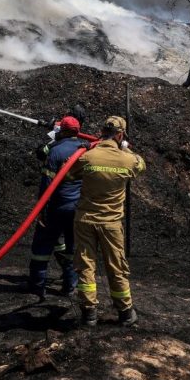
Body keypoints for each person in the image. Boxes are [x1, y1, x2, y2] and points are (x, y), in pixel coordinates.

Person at [67, 116, 145, 327]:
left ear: (102, 131)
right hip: (111, 223)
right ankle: (126, 312)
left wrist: (85, 150)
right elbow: (141, 165)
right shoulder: (127, 159)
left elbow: (69, 174)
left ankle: (88, 313)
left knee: (85, 266)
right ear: (120, 135)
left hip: (85, 220)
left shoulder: (88, 157)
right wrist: (126, 149)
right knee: (116, 267)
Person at [28, 116, 87, 298]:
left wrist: (41, 210)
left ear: (66, 131)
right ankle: (70, 286)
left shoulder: (56, 151)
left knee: (41, 247)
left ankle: (37, 287)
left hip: (55, 207)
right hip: (77, 208)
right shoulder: (85, 149)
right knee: (71, 248)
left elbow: (47, 183)